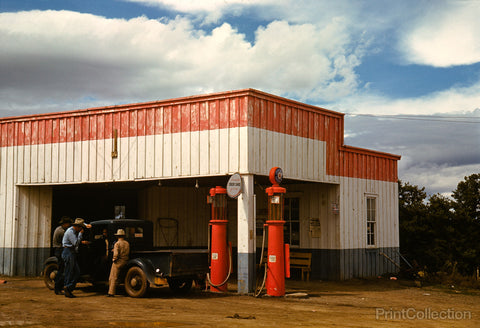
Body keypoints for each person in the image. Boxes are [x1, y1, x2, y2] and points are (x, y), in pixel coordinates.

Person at [62, 218, 90, 298]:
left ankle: (68, 287)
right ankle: (67, 287)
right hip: (68, 252)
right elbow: (75, 243)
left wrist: (86, 225)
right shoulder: (71, 232)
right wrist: (80, 234)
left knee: (75, 271)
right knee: (70, 271)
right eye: (80, 227)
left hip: (71, 252)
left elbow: (82, 223)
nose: (81, 229)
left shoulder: (73, 230)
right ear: (77, 227)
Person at [52, 216, 72, 295]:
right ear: (65, 224)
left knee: (61, 269)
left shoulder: (59, 229)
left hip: (58, 249)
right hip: (60, 250)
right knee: (62, 270)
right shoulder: (62, 232)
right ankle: (58, 288)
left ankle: (59, 287)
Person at [107, 229, 130, 297]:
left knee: (113, 277)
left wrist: (114, 258)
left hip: (118, 262)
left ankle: (111, 292)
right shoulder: (127, 243)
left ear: (117, 236)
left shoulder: (117, 243)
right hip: (125, 260)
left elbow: (116, 254)